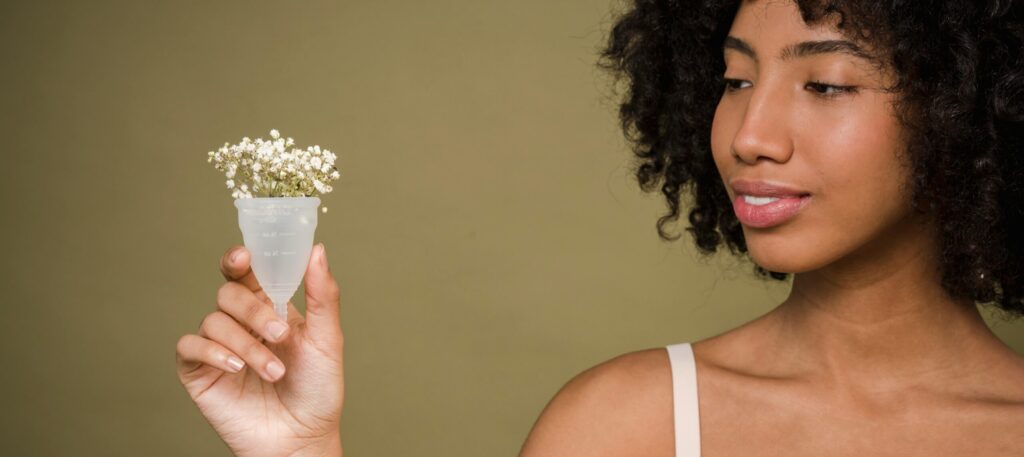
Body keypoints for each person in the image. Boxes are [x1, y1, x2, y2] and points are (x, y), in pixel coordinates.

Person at [176, 0, 1024, 455]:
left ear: (969, 108)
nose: (751, 134)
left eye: (828, 84)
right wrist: (298, 451)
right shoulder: (628, 426)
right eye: (733, 79)